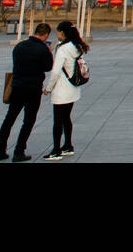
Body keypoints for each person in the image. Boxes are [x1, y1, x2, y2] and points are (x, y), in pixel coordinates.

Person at [0, 23, 53, 162]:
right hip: (33, 89)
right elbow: (48, 67)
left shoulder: (19, 46)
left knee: (9, 119)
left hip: (17, 87)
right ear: (46, 35)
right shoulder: (42, 49)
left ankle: (0, 151)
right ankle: (19, 151)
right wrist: (49, 52)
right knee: (28, 121)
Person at [41, 20, 88, 160]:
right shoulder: (76, 46)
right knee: (66, 118)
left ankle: (56, 150)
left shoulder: (62, 49)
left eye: (58, 32)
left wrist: (48, 88)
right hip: (72, 87)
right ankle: (68, 145)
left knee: (58, 121)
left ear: (62, 33)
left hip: (61, 89)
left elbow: (55, 71)